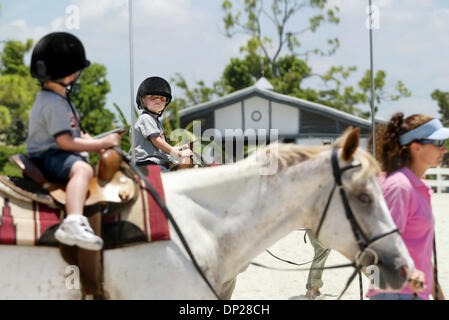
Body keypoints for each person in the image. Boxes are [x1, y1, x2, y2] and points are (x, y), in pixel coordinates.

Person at [26, 32, 122, 251]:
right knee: (82, 170)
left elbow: (79, 135)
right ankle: (73, 222)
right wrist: (100, 144)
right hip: (48, 155)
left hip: (57, 151)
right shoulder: (54, 103)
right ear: (70, 75)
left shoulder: (60, 99)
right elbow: (66, 143)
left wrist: (103, 144)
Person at [367, 112, 447, 300]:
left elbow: (419, 252)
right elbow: (381, 245)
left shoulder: (416, 186)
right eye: (438, 143)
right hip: (395, 293)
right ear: (416, 147)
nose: (444, 149)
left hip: (411, 292)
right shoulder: (400, 186)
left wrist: (439, 295)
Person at [131, 76, 192, 171]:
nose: (158, 100)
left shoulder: (155, 121)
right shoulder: (146, 118)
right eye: (153, 97)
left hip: (157, 161)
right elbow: (157, 141)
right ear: (143, 99)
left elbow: (160, 147)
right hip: (147, 163)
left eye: (162, 98)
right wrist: (179, 154)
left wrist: (179, 148)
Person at [305, 229, 330, 300]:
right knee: (322, 251)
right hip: (315, 221)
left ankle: (311, 289)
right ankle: (314, 289)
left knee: (321, 251)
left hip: (317, 222)